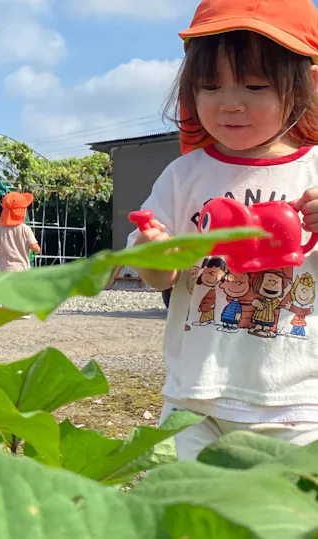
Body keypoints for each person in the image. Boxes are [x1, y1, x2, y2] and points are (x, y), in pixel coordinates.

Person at [128, 0, 318, 460]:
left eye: (255, 85)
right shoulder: (183, 175)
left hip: (295, 405)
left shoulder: (314, 172)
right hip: (194, 400)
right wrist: (156, 256)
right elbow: (158, 279)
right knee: (183, 520)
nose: (230, 103)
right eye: (209, 86)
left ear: (304, 86)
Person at [0, 191, 40, 318]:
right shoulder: (25, 229)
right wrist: (37, 250)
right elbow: (34, 246)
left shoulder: (0, 229)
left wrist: (0, 254)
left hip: (5, 266)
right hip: (22, 267)